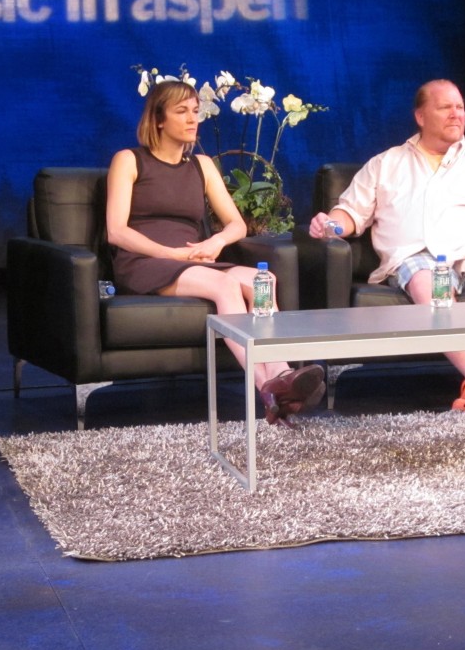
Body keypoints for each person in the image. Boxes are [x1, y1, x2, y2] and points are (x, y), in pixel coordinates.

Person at [309, 79, 465, 417]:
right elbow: (350, 213)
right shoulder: (387, 163)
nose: (457, 114)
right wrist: (330, 225)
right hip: (416, 255)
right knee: (426, 281)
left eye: (461, 107)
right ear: (421, 116)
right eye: (446, 107)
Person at [106, 79, 324, 427]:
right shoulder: (129, 160)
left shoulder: (202, 166)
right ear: (159, 119)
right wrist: (170, 254)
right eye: (182, 112)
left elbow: (235, 224)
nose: (193, 119)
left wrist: (215, 243)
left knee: (261, 279)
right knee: (225, 287)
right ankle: (266, 387)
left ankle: (283, 375)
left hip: (196, 258)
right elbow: (117, 231)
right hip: (146, 261)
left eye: (196, 111)